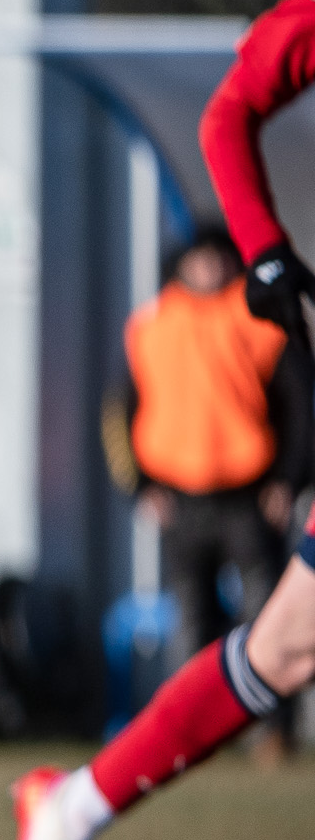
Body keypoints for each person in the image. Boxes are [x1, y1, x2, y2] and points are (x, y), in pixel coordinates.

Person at [5, 0, 315, 840]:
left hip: (248, 489)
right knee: (281, 645)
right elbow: (230, 113)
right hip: (192, 497)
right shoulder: (158, 324)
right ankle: (76, 805)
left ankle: (77, 805)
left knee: (282, 643)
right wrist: (266, 252)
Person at [110, 226, 306, 703]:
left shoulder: (257, 320)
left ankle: (271, 728)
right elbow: (120, 414)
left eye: (217, 258)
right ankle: (193, 719)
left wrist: (289, 480)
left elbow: (301, 407)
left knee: (266, 616)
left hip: (249, 494)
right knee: (192, 619)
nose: (208, 269)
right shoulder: (153, 325)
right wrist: (139, 487)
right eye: (198, 260)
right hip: (179, 497)